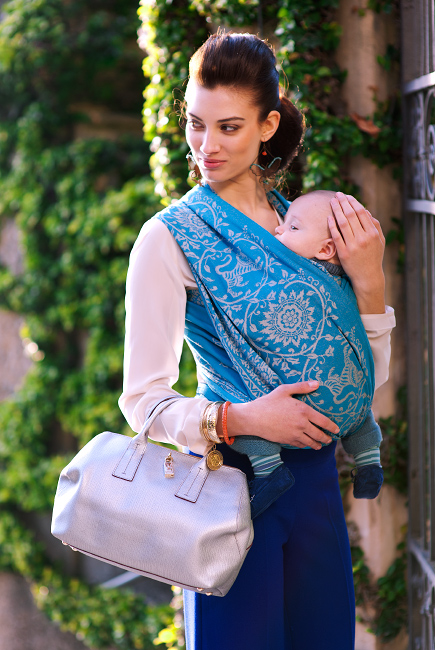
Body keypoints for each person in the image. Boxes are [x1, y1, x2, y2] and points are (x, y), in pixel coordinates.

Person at [119, 32, 396, 650]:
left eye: (229, 127)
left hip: (316, 486)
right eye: (196, 124)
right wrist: (243, 418)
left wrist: (370, 282)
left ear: (268, 126)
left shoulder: (307, 227)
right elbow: (142, 401)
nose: (206, 146)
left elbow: (358, 378)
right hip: (231, 486)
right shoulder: (168, 239)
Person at [231, 189, 385, 519]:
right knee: (363, 418)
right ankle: (369, 461)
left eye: (293, 227)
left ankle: (269, 471)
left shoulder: (289, 277)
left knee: (246, 421)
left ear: (325, 249)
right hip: (353, 400)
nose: (278, 229)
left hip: (296, 408)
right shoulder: (348, 285)